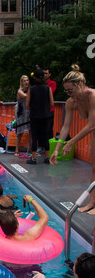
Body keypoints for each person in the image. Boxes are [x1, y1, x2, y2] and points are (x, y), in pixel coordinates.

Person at [49, 64, 95, 214]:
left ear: (80, 84)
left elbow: (91, 125)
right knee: (94, 168)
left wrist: (71, 142)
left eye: (71, 90)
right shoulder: (71, 102)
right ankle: (92, 203)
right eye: (66, 91)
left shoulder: (93, 96)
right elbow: (65, 127)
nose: (68, 94)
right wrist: (57, 148)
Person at [25, 69, 54, 165]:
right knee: (46, 136)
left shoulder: (31, 89)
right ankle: (47, 158)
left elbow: (27, 104)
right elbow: (52, 103)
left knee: (34, 136)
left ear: (35, 78)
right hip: (46, 116)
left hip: (34, 116)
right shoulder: (47, 88)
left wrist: (33, 109)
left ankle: (33, 158)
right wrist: (46, 108)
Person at [15, 75, 30, 156]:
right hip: (21, 113)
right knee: (20, 132)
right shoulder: (20, 91)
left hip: (29, 112)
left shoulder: (30, 90)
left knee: (31, 131)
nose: (26, 82)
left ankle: (31, 149)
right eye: (24, 81)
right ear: (21, 82)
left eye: (27, 80)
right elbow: (26, 96)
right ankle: (16, 150)